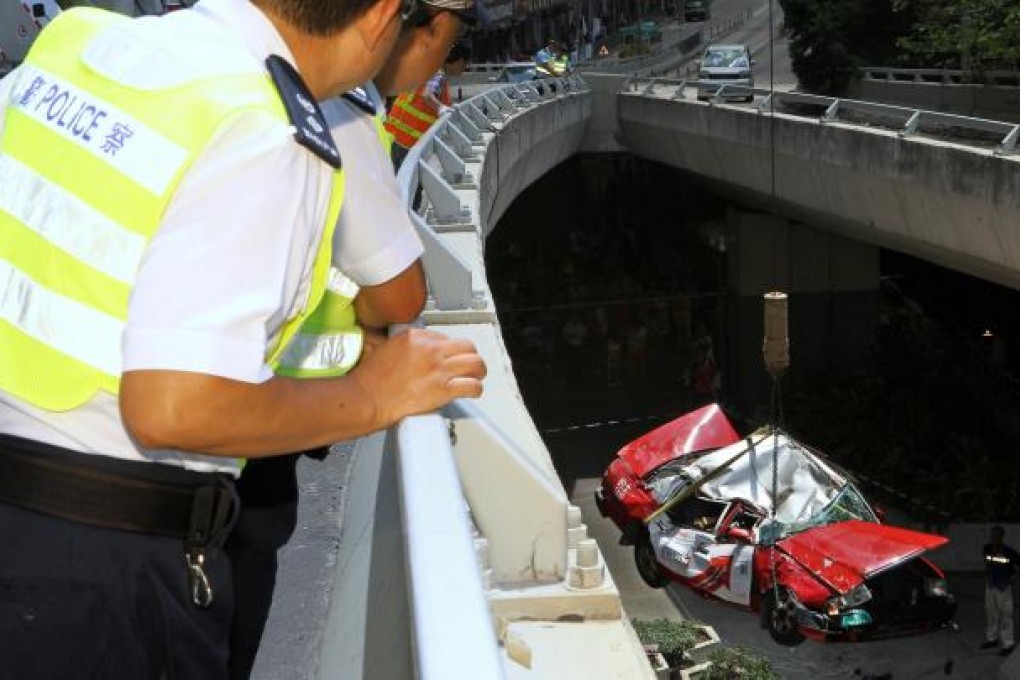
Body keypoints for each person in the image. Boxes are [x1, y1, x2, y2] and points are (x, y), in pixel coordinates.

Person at [0, 0, 486, 675]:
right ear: (380, 17)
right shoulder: (262, 127)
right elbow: (176, 407)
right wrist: (374, 394)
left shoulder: (78, 45)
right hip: (102, 571)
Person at [225, 2, 476, 676]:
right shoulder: (334, 105)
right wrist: (366, 376)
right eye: (440, 43)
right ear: (397, 23)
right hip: (252, 402)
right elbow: (400, 293)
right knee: (240, 567)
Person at [385, 31, 472, 169]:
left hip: (394, 138)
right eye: (465, 64)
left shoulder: (426, 68)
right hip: (409, 144)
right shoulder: (438, 75)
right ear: (460, 61)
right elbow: (427, 96)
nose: (465, 69)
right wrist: (441, 109)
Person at [981, 525, 1020, 656]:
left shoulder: (1009, 551)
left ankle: (1008, 644)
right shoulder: (986, 549)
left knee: (1006, 616)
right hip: (991, 586)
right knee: (991, 614)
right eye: (992, 535)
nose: (994, 537)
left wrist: (1014, 577)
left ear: (1002, 536)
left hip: (1003, 587)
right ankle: (992, 639)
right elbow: (988, 563)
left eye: (996, 535)